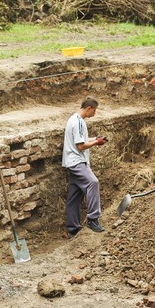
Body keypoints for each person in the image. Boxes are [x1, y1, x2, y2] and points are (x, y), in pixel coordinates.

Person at [62, 97, 106, 239]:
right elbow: (80, 146)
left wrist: (95, 139)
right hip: (77, 162)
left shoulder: (74, 120)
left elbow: (81, 140)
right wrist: (96, 143)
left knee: (74, 197)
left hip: (71, 162)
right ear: (88, 108)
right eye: (94, 110)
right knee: (93, 182)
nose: (94, 113)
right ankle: (93, 219)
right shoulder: (79, 122)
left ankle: (72, 229)